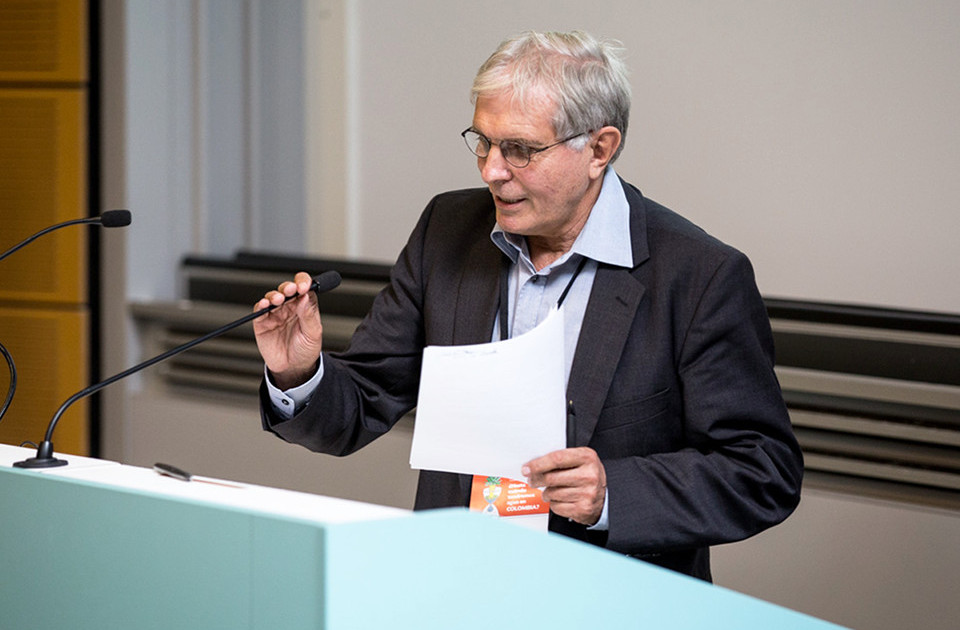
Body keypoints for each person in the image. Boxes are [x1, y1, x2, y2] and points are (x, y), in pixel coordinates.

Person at [253, 30, 802, 581]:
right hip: (457, 588)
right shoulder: (447, 230)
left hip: (610, 598)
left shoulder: (698, 275)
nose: (491, 170)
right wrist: (298, 373)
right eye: (483, 142)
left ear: (599, 149)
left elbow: (763, 470)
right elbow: (363, 402)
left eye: (519, 149)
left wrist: (612, 492)